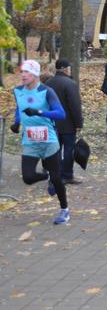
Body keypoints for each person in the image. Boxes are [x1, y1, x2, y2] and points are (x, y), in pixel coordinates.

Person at [11, 60, 69, 224]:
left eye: (27, 72)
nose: (23, 75)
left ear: (35, 74)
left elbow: (60, 114)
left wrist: (39, 111)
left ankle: (64, 209)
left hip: (49, 140)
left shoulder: (46, 91)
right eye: (21, 71)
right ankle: (46, 174)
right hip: (30, 141)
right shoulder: (17, 91)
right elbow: (19, 107)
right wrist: (16, 122)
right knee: (28, 178)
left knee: (57, 180)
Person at [45, 59, 84, 185]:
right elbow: (75, 105)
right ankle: (67, 175)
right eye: (69, 68)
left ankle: (54, 175)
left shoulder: (48, 83)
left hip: (52, 123)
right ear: (66, 69)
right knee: (68, 150)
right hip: (67, 124)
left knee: (54, 150)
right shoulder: (70, 83)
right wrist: (79, 123)